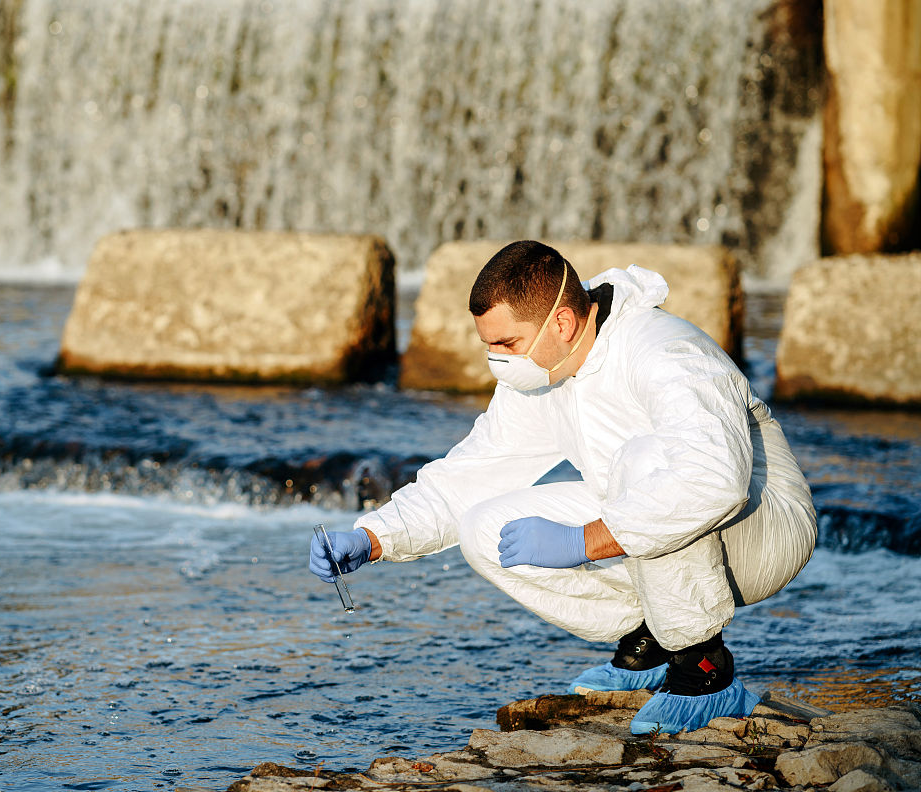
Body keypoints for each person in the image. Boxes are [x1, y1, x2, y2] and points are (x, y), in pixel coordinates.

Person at [308, 240, 816, 735]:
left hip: (763, 522)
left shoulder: (664, 350)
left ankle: (704, 666)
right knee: (484, 527)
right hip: (670, 525)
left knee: (649, 461)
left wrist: (582, 542)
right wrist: (375, 538)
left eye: (507, 344)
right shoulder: (545, 372)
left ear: (563, 322)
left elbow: (712, 480)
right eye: (488, 344)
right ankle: (657, 635)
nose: (496, 360)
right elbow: (474, 471)